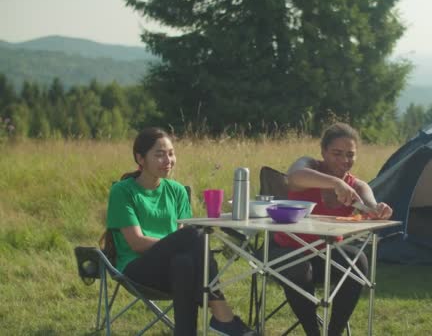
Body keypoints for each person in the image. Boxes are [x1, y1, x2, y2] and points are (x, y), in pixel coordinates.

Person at [106, 127, 256, 336]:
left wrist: (179, 242)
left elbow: (185, 248)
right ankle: (222, 312)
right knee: (193, 235)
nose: (168, 160)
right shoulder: (122, 191)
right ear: (140, 159)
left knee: (184, 262)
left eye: (171, 153)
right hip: (136, 269)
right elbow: (137, 243)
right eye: (159, 155)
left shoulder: (176, 190)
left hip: (171, 269)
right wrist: (177, 241)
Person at [269, 122, 393, 336]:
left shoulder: (357, 186)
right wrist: (336, 183)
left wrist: (378, 210)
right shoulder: (309, 167)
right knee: (300, 268)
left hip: (324, 253)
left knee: (358, 261)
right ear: (323, 152)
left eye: (350, 155)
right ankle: (313, 333)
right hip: (285, 250)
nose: (345, 160)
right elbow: (293, 177)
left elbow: (370, 205)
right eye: (337, 153)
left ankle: (334, 332)